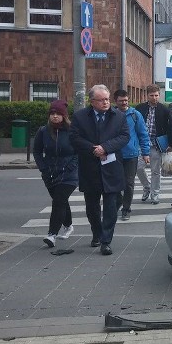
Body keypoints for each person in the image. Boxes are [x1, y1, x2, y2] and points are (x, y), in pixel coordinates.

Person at [69, 84, 129, 256]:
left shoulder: (118, 116)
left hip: (111, 166)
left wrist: (105, 147)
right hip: (90, 167)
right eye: (101, 100)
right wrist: (93, 149)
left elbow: (124, 136)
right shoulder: (81, 116)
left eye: (107, 99)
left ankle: (106, 240)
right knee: (92, 206)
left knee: (112, 204)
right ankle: (97, 232)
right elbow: (74, 137)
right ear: (92, 101)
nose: (106, 103)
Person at [33, 100, 78, 247]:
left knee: (58, 200)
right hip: (50, 172)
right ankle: (69, 225)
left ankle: (52, 234)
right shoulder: (43, 131)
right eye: (52, 113)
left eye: (58, 113)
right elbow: (37, 151)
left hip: (69, 173)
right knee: (61, 201)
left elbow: (79, 150)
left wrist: (72, 165)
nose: (55, 116)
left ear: (64, 116)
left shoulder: (72, 130)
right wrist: (43, 168)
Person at [113, 90, 150, 221]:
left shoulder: (135, 114)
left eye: (126, 100)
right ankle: (116, 204)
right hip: (114, 155)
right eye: (121, 101)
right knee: (115, 183)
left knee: (129, 183)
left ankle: (126, 209)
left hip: (131, 155)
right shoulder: (111, 114)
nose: (124, 103)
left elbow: (143, 134)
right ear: (115, 101)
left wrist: (146, 152)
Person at [135, 84, 171, 205]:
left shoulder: (164, 109)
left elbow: (169, 128)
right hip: (142, 144)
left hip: (156, 144)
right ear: (147, 95)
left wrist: (169, 144)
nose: (154, 98)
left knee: (155, 171)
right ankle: (147, 186)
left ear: (159, 95)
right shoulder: (140, 108)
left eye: (156, 95)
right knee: (138, 168)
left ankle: (155, 194)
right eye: (152, 95)